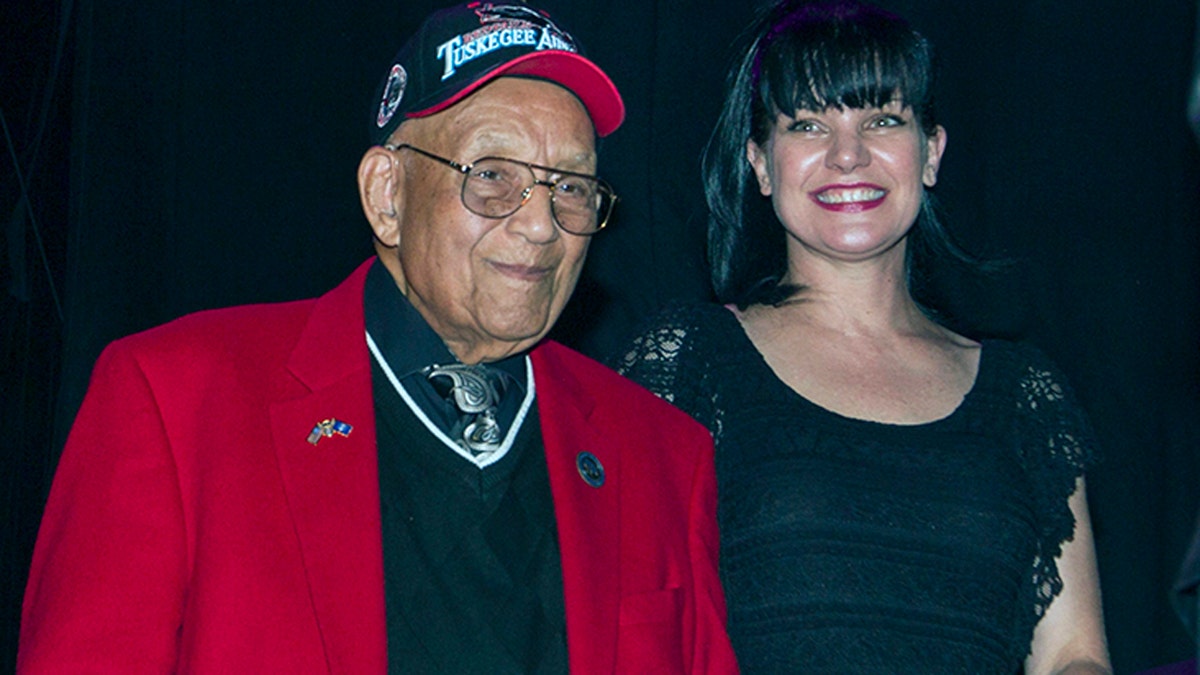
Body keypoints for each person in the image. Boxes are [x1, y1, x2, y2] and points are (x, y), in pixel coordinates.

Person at [18, 3, 737, 673]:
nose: (541, 225)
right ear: (387, 196)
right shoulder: (176, 402)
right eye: (492, 176)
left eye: (571, 187)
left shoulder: (662, 456)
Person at [613, 1, 1111, 672]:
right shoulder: (691, 359)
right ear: (761, 163)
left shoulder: (1025, 394)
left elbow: (1072, 655)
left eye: (881, 119)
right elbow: (629, 619)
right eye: (809, 124)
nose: (848, 155)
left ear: (930, 152)